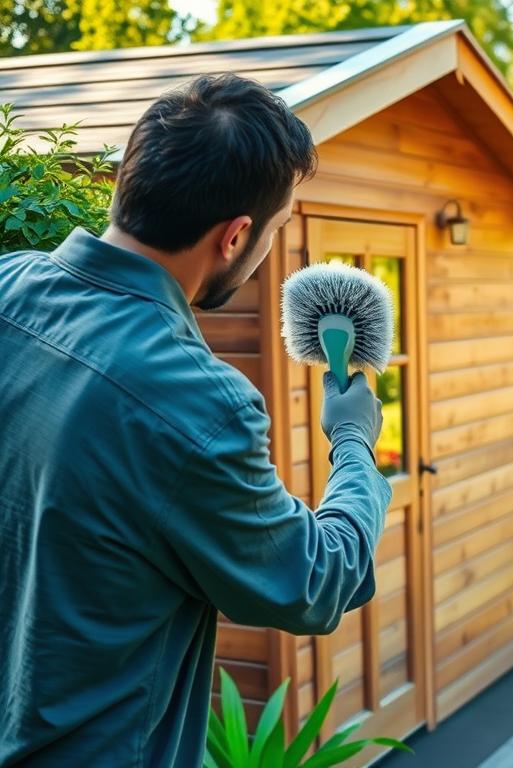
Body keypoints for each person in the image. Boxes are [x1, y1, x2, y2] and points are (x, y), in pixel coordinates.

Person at [0, 73, 391, 766]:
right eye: (275, 229)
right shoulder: (198, 404)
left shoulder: (8, 284)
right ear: (236, 236)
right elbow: (313, 583)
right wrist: (354, 441)